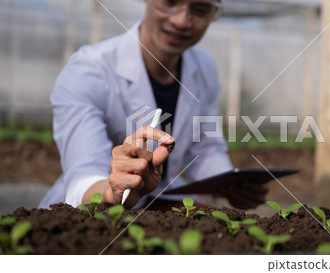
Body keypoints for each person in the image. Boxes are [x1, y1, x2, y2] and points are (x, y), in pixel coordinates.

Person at [39, 0, 268, 210]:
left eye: (200, 9)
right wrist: (115, 190)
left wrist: (229, 182)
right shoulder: (88, 70)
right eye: (170, 2)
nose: (180, 21)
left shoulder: (204, 66)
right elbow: (84, 171)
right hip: (92, 214)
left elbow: (204, 148)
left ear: (215, 13)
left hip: (162, 204)